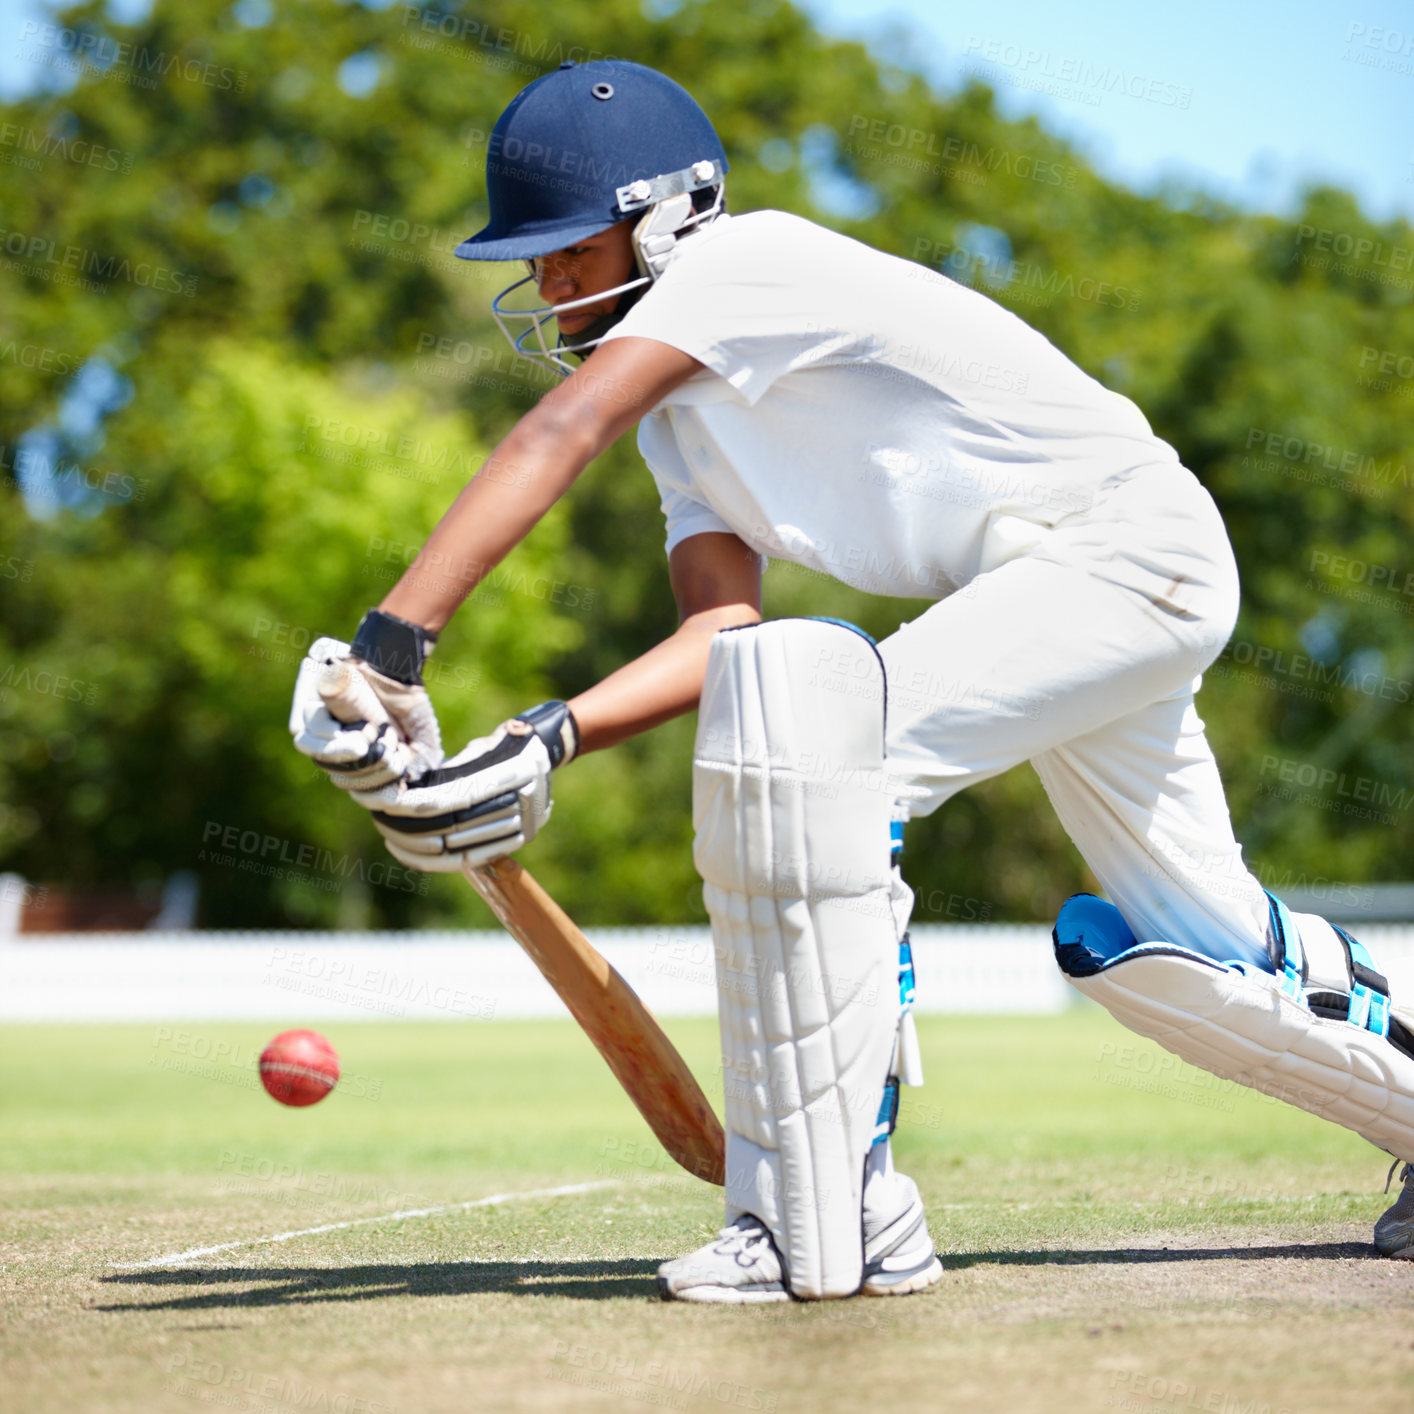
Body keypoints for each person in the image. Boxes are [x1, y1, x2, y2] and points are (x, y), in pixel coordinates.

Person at [290, 59, 1414, 1299]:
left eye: (571, 246)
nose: (549, 281)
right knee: (1197, 959)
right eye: (536, 257)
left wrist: (389, 650)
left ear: (668, 214)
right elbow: (721, 635)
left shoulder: (743, 267)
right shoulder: (683, 426)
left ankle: (831, 1209)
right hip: (1060, 583)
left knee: (822, 772)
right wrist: (543, 737)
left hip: (1123, 548)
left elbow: (560, 434)